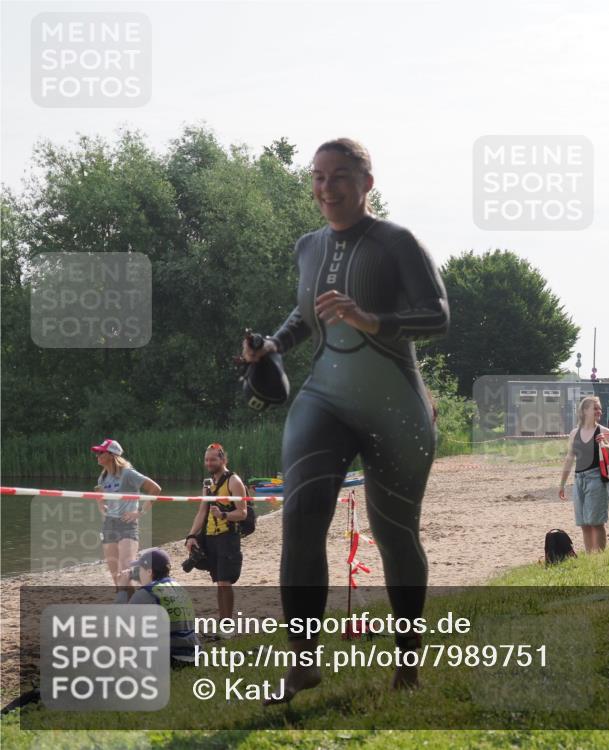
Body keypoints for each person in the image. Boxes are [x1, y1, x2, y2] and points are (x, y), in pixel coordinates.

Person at [242, 138, 448, 699]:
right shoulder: (308, 247)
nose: (325, 187)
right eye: (317, 176)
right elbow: (307, 310)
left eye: (338, 176)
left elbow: (437, 316)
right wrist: (273, 345)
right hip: (325, 399)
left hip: (395, 406)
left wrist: (369, 318)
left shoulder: (397, 242)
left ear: (366, 183)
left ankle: (408, 662)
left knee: (395, 535)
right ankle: (303, 661)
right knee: (300, 519)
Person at [184, 443, 248, 620]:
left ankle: (227, 624)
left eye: (212, 459)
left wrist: (223, 515)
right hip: (210, 537)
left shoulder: (234, 481)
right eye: (206, 460)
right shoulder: (208, 484)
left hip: (228, 537)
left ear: (223, 460)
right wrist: (191, 536)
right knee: (219, 582)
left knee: (225, 582)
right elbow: (201, 512)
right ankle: (223, 621)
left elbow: (243, 513)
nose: (209, 463)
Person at [92, 439, 161, 597]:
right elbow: (102, 501)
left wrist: (140, 512)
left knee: (125, 572)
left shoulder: (128, 473)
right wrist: (101, 505)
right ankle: (126, 604)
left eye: (100, 452)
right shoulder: (102, 478)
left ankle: (138, 601)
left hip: (127, 525)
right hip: (109, 525)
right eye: (97, 452)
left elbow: (155, 489)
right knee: (117, 577)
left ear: (112, 455)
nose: (97, 455)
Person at [559, 396, 609, 553]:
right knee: (584, 524)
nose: (599, 411)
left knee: (596, 523)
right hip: (579, 480)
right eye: (595, 408)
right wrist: (562, 484)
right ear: (584, 411)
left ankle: (599, 559)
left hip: (597, 479)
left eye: (599, 408)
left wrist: (605, 445)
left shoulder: (604, 431)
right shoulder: (574, 433)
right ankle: (590, 558)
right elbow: (569, 458)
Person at [116, 548, 199, 665]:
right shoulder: (179, 588)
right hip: (193, 654)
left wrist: (122, 589)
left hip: (171, 658)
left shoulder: (147, 593)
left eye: (140, 569)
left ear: (149, 572)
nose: (137, 573)